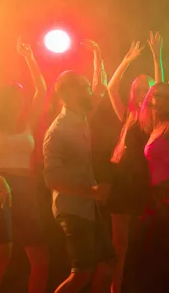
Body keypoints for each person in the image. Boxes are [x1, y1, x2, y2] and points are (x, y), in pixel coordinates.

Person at [0, 38, 49, 293]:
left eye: (22, 98)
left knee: (41, 260)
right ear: (7, 102)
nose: (22, 101)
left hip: (26, 189)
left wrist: (30, 58)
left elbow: (42, 90)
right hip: (1, 190)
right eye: (16, 98)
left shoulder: (27, 123)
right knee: (1, 259)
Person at [43, 71, 116, 293]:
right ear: (69, 93)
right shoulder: (57, 131)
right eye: (85, 88)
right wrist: (91, 192)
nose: (90, 92)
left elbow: (101, 90)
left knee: (108, 264)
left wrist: (97, 58)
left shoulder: (81, 117)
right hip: (72, 210)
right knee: (82, 272)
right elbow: (52, 180)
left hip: (87, 208)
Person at [106, 32, 163, 293]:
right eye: (137, 89)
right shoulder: (128, 115)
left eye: (145, 89)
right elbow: (110, 88)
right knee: (119, 245)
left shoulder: (153, 116)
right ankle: (115, 288)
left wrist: (156, 55)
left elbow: (161, 86)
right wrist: (126, 60)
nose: (141, 93)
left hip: (142, 184)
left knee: (140, 244)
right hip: (122, 184)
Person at [130, 82, 169, 293]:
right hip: (156, 194)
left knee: (166, 254)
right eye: (157, 95)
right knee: (153, 254)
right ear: (151, 100)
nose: (161, 99)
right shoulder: (154, 127)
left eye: (165, 96)